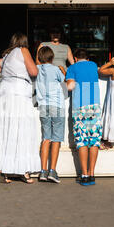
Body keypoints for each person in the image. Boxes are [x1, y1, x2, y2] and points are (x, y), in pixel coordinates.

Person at [0, 33, 41, 184]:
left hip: (4, 93)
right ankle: (23, 170)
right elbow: (33, 72)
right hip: (18, 92)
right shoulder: (23, 50)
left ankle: (1, 171)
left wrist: (8, 72)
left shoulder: (8, 54)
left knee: (4, 130)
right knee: (21, 130)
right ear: (24, 42)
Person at [66, 49, 102, 186]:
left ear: (75, 58)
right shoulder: (93, 65)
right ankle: (92, 174)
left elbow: (70, 87)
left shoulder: (72, 67)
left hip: (79, 107)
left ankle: (84, 174)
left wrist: (64, 76)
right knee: (94, 140)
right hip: (95, 106)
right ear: (87, 58)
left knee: (81, 141)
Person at [35, 46, 66, 184]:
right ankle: (52, 171)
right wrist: (63, 70)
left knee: (46, 138)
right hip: (57, 106)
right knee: (56, 139)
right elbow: (64, 80)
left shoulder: (37, 69)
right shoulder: (55, 69)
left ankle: (43, 171)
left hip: (43, 106)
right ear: (52, 58)